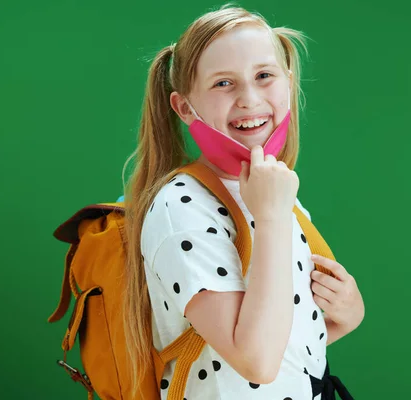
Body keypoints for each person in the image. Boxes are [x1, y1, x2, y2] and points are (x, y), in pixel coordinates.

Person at [121, 4, 365, 399]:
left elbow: (281, 342)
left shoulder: (273, 191)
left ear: (287, 82)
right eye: (223, 83)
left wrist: (345, 318)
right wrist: (270, 219)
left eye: (264, 76)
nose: (249, 99)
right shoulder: (180, 208)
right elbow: (257, 362)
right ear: (185, 107)